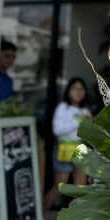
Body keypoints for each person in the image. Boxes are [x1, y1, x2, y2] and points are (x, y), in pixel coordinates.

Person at [44, 77, 91, 211]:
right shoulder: (62, 108)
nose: (79, 92)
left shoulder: (86, 110)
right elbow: (57, 130)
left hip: (81, 150)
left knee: (80, 190)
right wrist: (79, 121)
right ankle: (40, 216)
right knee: (60, 188)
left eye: (81, 89)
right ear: (68, 91)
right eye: (75, 88)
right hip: (64, 149)